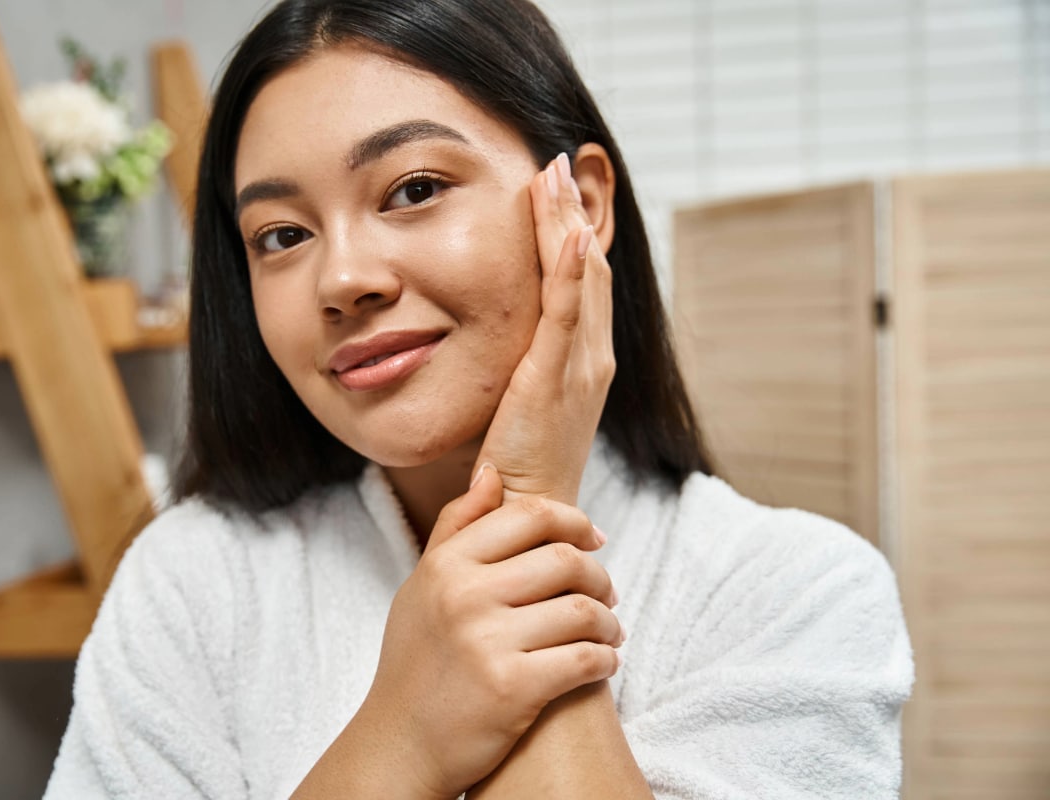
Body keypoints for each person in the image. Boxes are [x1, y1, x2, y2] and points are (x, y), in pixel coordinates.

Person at [45, 1, 914, 797]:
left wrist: (527, 504)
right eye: (282, 235)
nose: (341, 279)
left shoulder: (797, 593)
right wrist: (404, 735)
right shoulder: (194, 581)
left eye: (414, 189)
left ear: (585, 204)